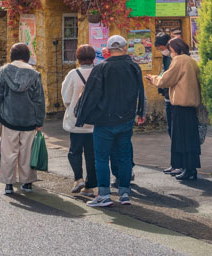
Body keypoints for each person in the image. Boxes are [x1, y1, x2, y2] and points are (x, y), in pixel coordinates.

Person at [75, 35, 146, 207]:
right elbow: (140, 92)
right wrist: (140, 112)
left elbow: (91, 95)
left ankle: (104, 195)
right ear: (125, 47)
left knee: (101, 158)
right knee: (124, 156)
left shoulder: (102, 68)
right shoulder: (134, 67)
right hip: (126, 118)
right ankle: (125, 193)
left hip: (104, 120)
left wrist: (81, 114)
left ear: (108, 49)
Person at [0, 42, 45, 195]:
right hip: (29, 120)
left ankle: (8, 183)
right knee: (27, 152)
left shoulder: (4, 71)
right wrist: (40, 121)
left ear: (12, 56)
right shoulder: (34, 74)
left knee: (9, 152)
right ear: (27, 56)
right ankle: (27, 183)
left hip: (9, 118)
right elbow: (39, 100)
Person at [146, 37, 202, 181]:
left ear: (175, 49)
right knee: (190, 139)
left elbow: (166, 80)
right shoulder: (191, 61)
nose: (169, 53)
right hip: (191, 106)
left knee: (181, 139)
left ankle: (186, 169)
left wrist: (153, 78)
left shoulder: (178, 60)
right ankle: (190, 169)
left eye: (170, 50)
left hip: (180, 105)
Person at [61, 44, 98, 198]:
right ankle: (89, 187)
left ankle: (78, 179)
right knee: (92, 154)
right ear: (93, 57)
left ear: (78, 58)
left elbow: (66, 98)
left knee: (74, 151)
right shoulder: (99, 73)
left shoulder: (73, 74)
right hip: (95, 121)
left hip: (77, 121)